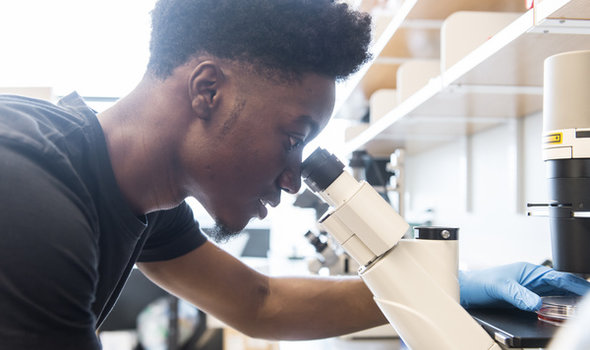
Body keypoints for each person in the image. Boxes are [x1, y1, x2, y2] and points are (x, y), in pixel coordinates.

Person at [0, 1, 588, 349]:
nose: (291, 178)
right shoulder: (30, 194)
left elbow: (261, 302)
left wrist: (445, 289)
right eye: (293, 138)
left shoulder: (139, 196)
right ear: (208, 90)